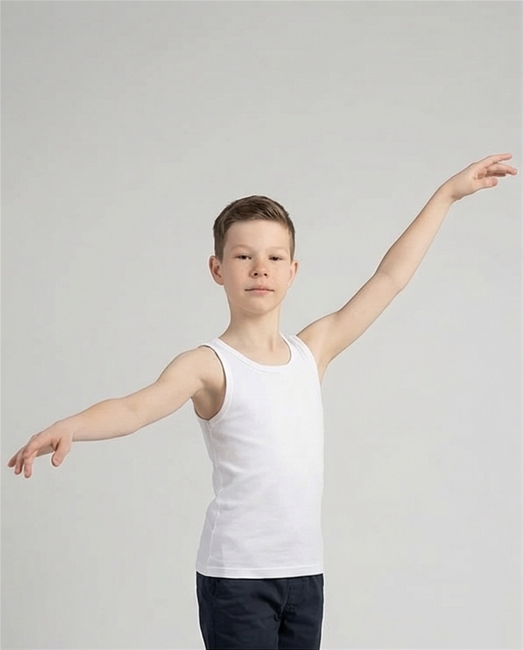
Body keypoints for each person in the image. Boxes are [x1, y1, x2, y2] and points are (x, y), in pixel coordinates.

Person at [7, 153, 517, 649]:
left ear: (292, 271)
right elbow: (136, 407)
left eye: (274, 258)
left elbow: (389, 279)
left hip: (305, 574)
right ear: (217, 268)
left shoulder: (313, 351)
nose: (259, 268)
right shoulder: (208, 365)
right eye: (243, 256)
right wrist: (72, 426)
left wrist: (447, 195)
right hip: (237, 578)